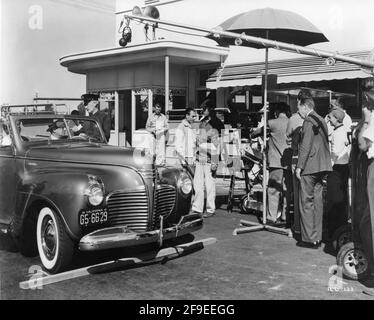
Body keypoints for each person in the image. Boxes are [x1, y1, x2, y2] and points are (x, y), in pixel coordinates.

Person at [295, 89, 332, 249]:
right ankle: (317, 236)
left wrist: (299, 167)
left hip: (310, 166)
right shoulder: (321, 119)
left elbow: (305, 146)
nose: (298, 112)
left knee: (306, 202)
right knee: (317, 201)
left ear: (304, 106)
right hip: (323, 165)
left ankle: (309, 238)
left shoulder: (309, 121)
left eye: (298, 108)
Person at [251, 102, 292, 225]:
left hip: (276, 161)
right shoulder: (291, 122)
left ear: (277, 111)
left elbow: (257, 133)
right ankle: (285, 216)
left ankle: (271, 217)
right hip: (289, 161)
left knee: (274, 190)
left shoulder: (272, 123)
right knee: (287, 190)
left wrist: (252, 133)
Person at [192, 102, 224, 218]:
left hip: (210, 159)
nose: (202, 110)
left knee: (209, 185)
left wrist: (215, 161)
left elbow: (216, 146)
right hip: (200, 157)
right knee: (198, 184)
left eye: (204, 109)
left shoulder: (214, 127)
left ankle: (210, 209)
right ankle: (197, 207)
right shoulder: (202, 126)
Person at [325, 107, 351, 239]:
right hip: (344, 167)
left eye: (330, 117)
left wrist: (327, 168)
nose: (329, 119)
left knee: (334, 200)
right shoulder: (344, 130)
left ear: (336, 119)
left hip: (336, 169)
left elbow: (334, 153)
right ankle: (339, 227)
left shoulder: (338, 133)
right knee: (341, 199)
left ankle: (334, 230)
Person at [286, 108, 304, 234]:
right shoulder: (318, 118)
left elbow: (288, 137)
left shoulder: (293, 119)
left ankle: (298, 226)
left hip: (297, 157)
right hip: (310, 160)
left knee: (297, 193)